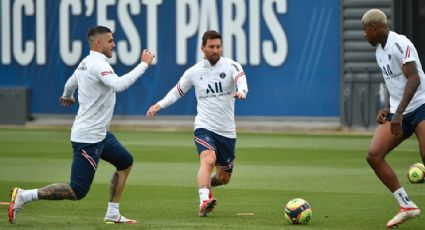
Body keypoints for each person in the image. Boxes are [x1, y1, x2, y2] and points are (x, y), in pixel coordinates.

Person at [8, 26, 155, 224]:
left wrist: (67, 96)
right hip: (88, 138)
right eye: (110, 41)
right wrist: (144, 65)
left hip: (101, 134)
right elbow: (119, 85)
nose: (114, 44)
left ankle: (113, 213)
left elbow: (70, 83)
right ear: (98, 43)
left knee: (125, 162)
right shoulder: (97, 65)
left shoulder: (85, 63)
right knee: (76, 191)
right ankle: (24, 196)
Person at [146, 30, 248, 217]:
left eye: (218, 46)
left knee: (224, 178)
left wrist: (242, 91)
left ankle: (207, 183)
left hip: (226, 131)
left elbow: (241, 81)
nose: (215, 50)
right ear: (203, 48)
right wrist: (159, 104)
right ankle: (204, 200)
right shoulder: (194, 72)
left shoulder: (232, 66)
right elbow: (176, 92)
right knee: (208, 159)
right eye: (211, 47)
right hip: (204, 126)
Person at [362, 9, 424, 228]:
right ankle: (406, 205)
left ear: (375, 28)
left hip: (421, 105)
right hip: (399, 110)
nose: (363, 35)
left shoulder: (400, 43)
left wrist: (397, 114)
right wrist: (388, 107)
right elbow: (394, 82)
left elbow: (414, 79)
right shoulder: (379, 51)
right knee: (374, 155)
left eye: (365, 30)